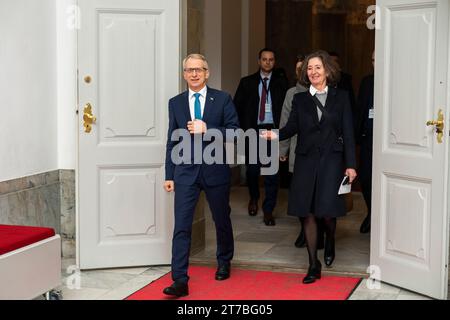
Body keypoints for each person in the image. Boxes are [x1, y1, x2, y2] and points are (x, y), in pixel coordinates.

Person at [262, 50, 357, 284]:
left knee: (327, 213)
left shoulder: (341, 97)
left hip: (332, 162)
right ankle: (313, 264)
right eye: (309, 68)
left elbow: (348, 132)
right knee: (308, 212)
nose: (313, 71)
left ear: (327, 70)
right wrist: (275, 134)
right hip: (305, 161)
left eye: (317, 67)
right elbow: (291, 127)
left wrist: (351, 165)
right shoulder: (299, 98)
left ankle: (331, 241)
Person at [163, 54, 239, 297]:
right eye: (189, 70)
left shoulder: (223, 99)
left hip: (215, 169)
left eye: (199, 69)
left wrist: (208, 129)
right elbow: (171, 141)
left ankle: (225, 260)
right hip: (185, 172)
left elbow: (235, 132)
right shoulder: (175, 103)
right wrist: (169, 174)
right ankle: (180, 279)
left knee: (221, 219)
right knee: (182, 225)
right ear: (184, 74)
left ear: (207, 73)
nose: (194, 74)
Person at [234, 48, 289, 226]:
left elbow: (287, 110)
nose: (267, 62)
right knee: (252, 170)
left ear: (275, 62)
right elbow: (237, 108)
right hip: (252, 131)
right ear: (259, 61)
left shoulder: (281, 83)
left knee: (272, 173)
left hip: (272, 132)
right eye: (264, 59)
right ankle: (253, 198)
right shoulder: (247, 82)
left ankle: (268, 210)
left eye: (271, 59)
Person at [279, 54, 308, 247]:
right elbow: (285, 123)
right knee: (300, 194)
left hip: (321, 153)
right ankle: (305, 230)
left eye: (303, 69)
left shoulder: (328, 91)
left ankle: (319, 230)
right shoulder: (291, 93)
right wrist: (283, 149)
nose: (301, 73)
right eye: (297, 70)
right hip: (298, 151)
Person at [356, 51, 375, 234]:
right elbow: (360, 109)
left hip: (388, 140)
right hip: (367, 138)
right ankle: (371, 212)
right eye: (372, 60)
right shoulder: (367, 81)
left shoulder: (396, 81)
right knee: (366, 179)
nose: (375, 63)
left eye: (378, 59)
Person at [329, 51, 357, 119]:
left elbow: (351, 102)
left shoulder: (345, 79)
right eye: (331, 62)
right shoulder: (321, 79)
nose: (333, 64)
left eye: (335, 61)